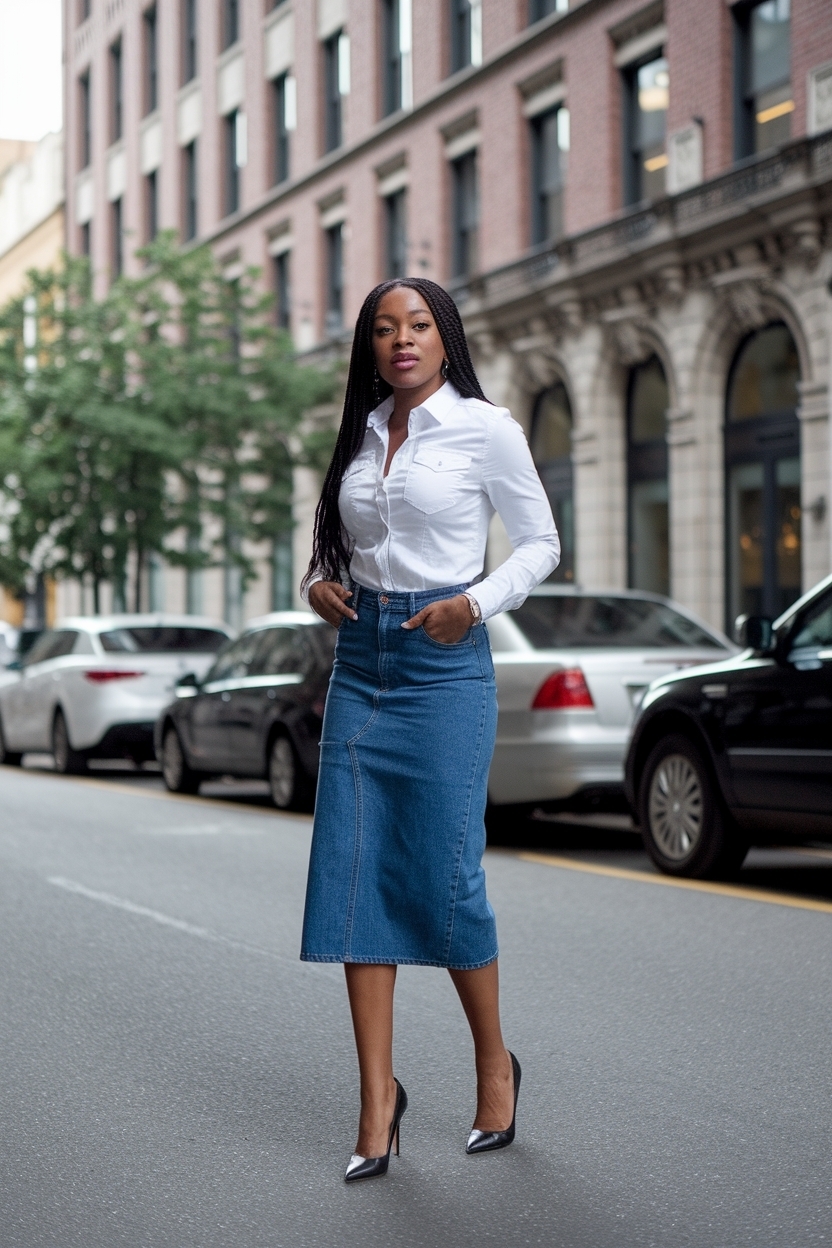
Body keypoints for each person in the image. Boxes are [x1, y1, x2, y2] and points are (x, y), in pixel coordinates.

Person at [301, 277, 559, 1182]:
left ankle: (495, 1064)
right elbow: (336, 542)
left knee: (447, 876)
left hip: (444, 663)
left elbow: (541, 544)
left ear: (445, 337)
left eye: (417, 325)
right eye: (384, 328)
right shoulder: (362, 433)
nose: (401, 339)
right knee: (355, 875)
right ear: (370, 346)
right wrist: (317, 583)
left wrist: (475, 603)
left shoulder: (487, 430)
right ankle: (378, 1101)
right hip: (360, 664)